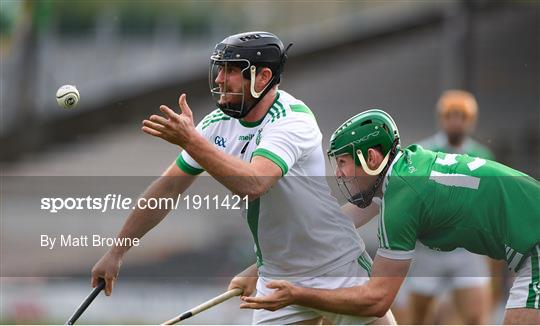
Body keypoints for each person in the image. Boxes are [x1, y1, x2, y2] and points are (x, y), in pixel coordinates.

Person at [91, 31, 393, 324]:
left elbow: (254, 183)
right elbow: (168, 188)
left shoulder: (291, 120)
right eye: (219, 70)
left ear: (262, 78)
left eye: (231, 71)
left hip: (336, 267)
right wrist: (117, 251)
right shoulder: (216, 125)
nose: (220, 79)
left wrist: (191, 140)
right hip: (277, 277)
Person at [239, 109, 540, 325]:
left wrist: (297, 294)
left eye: (343, 161)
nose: (339, 173)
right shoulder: (405, 168)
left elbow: (376, 300)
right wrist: (262, 267)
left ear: (371, 158)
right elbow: (332, 228)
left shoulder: (402, 198)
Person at [407, 90, 493, 324]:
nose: (456, 121)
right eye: (450, 115)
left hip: (466, 249)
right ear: (441, 118)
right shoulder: (423, 153)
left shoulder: (481, 155)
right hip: (430, 247)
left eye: (461, 116)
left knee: (475, 315)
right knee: (418, 317)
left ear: (471, 120)